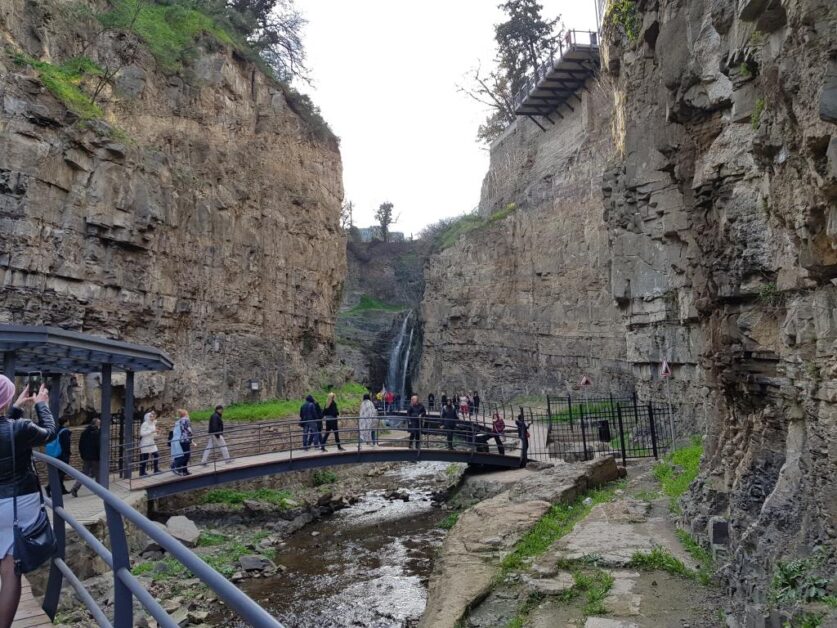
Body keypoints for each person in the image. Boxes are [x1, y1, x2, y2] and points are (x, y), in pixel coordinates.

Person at [0, 378, 55, 628]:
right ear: (6, 399)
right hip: (16, 505)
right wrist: (42, 405)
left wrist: (14, 407)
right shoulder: (20, 427)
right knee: (10, 572)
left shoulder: (15, 423)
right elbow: (49, 433)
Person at [70, 417, 101, 496]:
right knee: (98, 473)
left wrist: (83, 455)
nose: (99, 425)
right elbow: (98, 446)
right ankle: (99, 490)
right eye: (99, 423)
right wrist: (100, 455)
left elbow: (80, 445)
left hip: (86, 457)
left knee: (84, 473)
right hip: (95, 457)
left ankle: (75, 487)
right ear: (96, 424)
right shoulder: (97, 433)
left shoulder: (84, 432)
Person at [44, 416, 71, 496]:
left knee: (59, 473)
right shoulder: (64, 431)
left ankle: (62, 489)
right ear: (66, 422)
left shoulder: (56, 430)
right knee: (61, 472)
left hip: (56, 454)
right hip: (63, 455)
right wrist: (67, 454)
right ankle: (49, 487)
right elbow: (66, 444)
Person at [170, 410, 193, 476]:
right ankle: (174, 465)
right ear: (185, 414)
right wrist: (191, 436)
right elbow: (188, 430)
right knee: (186, 456)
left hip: (181, 440)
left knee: (184, 455)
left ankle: (184, 471)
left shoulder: (179, 421)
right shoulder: (186, 419)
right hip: (185, 439)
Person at [138, 411, 160, 476]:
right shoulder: (145, 424)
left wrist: (158, 434)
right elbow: (142, 433)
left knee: (156, 455)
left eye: (153, 416)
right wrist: (151, 431)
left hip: (151, 442)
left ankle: (156, 469)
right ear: (147, 417)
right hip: (145, 442)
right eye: (150, 416)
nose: (152, 417)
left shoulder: (153, 424)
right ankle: (142, 472)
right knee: (145, 457)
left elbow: (154, 434)